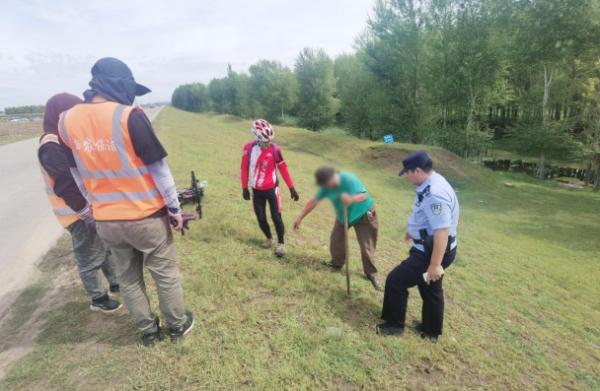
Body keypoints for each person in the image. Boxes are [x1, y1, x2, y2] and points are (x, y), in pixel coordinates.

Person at [58, 57, 193, 346]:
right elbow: (159, 170)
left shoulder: (66, 121)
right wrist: (175, 210)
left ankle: (148, 331)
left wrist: (93, 205)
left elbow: (75, 173)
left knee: (128, 278)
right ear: (119, 85)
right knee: (164, 273)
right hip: (146, 216)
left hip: (106, 220)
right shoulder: (129, 116)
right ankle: (177, 326)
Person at [38, 93, 121, 313]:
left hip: (88, 207)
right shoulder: (51, 145)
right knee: (88, 256)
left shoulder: (65, 139)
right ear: (60, 115)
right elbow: (64, 184)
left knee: (104, 247)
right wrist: (85, 211)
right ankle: (98, 298)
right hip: (75, 212)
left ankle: (115, 283)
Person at [377, 151, 459, 342]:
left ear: (418, 171)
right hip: (430, 247)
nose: (406, 176)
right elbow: (426, 217)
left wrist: (435, 264)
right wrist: (413, 230)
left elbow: (441, 231)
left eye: (407, 172)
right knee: (429, 286)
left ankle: (394, 325)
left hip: (431, 252)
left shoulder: (435, 194)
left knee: (396, 280)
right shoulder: (432, 181)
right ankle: (431, 330)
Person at [293, 166, 381, 291]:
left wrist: (351, 199)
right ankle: (337, 263)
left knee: (366, 247)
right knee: (336, 241)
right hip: (343, 216)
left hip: (363, 214)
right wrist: (300, 217)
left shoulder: (348, 179)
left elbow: (364, 196)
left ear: (333, 177)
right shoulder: (326, 186)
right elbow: (314, 201)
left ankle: (371, 273)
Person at [241, 119, 299, 257]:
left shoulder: (275, 150)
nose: (269, 143)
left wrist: (291, 188)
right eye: (266, 141)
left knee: (276, 217)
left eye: (270, 140)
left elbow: (283, 169)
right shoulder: (248, 148)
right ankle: (269, 238)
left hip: (272, 190)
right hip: (256, 190)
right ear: (257, 138)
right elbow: (244, 168)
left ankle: (281, 244)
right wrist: (244, 188)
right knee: (260, 217)